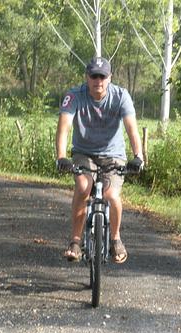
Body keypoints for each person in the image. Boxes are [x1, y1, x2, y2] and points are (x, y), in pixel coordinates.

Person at [55, 57, 144, 264]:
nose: (98, 81)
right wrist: (61, 157)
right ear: (87, 77)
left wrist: (138, 156)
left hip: (114, 156)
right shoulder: (74, 95)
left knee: (111, 194)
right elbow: (64, 127)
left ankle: (115, 239)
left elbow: (132, 128)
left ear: (109, 78)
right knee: (83, 186)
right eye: (94, 76)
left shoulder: (121, 96)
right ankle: (75, 242)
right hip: (83, 153)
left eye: (102, 76)